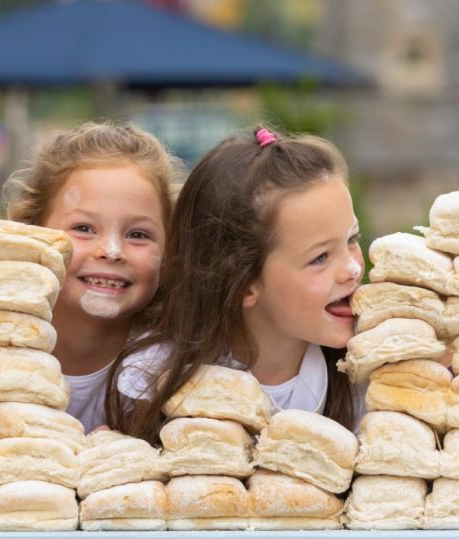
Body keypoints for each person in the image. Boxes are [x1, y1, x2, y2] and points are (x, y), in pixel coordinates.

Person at [105, 126, 365, 444]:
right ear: (243, 283)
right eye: (320, 257)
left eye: (352, 239)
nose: (351, 269)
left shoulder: (368, 376)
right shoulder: (156, 379)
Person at [5, 122, 180, 432]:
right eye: (84, 228)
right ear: (31, 232)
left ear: (170, 251)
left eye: (138, 234)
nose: (111, 251)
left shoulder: (171, 371)